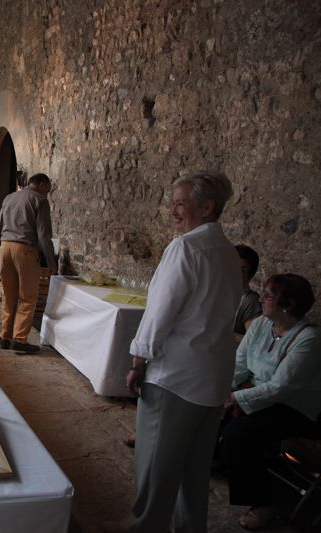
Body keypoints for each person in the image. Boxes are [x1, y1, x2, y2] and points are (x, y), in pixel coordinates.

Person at [124, 172, 242, 532]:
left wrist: (138, 361)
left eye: (180, 203)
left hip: (175, 376)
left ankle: (146, 526)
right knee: (194, 466)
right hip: (212, 374)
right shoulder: (228, 252)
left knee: (156, 462)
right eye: (172, 203)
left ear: (207, 207)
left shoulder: (185, 248)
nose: (173, 211)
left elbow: (160, 314)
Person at [219, 274, 320, 530]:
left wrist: (235, 398)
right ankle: (221, 463)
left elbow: (282, 387)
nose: (261, 298)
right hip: (260, 393)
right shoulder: (262, 325)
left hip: (295, 407)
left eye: (269, 295)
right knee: (214, 409)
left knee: (239, 433)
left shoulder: (307, 339)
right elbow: (240, 363)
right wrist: (224, 390)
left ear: (289, 304)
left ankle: (262, 503)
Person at [0, 173, 58, 354]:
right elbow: (43, 235)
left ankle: (5, 337)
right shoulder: (40, 200)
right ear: (42, 184)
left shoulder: (9, 198)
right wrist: (51, 263)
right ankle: (20, 339)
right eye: (48, 188)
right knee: (27, 297)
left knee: (8, 295)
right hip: (25, 250)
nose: (48, 192)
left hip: (5, 247)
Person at [234, 244, 262, 344]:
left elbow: (252, 341)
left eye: (243, 270)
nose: (236, 272)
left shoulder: (250, 301)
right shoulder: (217, 293)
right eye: (233, 266)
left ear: (250, 275)